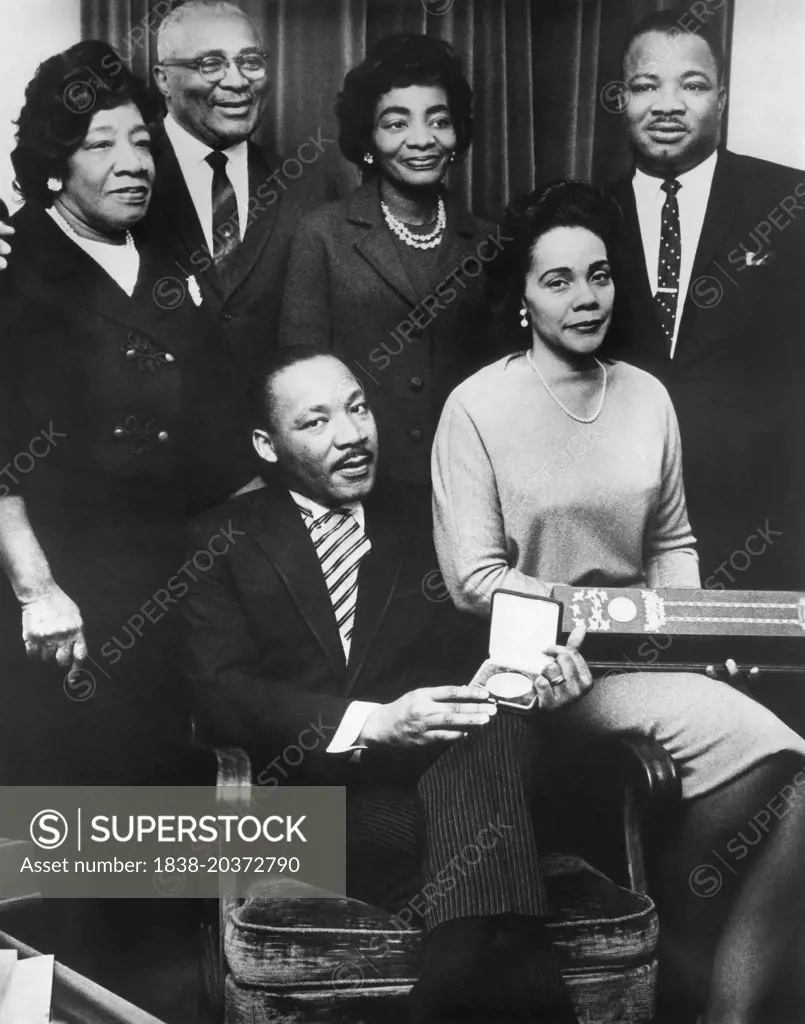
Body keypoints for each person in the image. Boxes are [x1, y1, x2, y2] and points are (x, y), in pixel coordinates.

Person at [432, 181, 805, 1024]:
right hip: (539, 669)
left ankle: (715, 990)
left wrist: (683, 631)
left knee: (793, 782)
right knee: (789, 758)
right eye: (556, 280)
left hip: (648, 658)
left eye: (597, 275)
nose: (585, 297)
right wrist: (587, 616)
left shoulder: (645, 395)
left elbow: (671, 539)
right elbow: (472, 579)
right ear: (519, 297)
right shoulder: (476, 408)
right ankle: (686, 931)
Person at [182, 346, 598, 1024]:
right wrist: (372, 722)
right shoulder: (218, 541)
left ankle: (443, 986)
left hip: (446, 778)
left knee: (499, 730)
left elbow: (472, 667)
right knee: (494, 866)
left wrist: (523, 681)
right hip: (308, 805)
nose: (350, 434)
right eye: (315, 422)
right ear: (266, 443)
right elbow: (221, 693)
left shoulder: (428, 521)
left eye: (357, 408)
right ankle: (488, 952)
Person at [0, 40, 251, 786]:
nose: (133, 162)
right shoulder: (14, 270)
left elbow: (220, 443)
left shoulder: (172, 266)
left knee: (164, 820)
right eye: (100, 144)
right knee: (74, 831)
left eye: (142, 141)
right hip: (61, 599)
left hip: (170, 587)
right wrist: (37, 591)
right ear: (55, 164)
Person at [605, 10, 805, 591]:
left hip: (768, 533)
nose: (667, 104)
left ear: (722, 97)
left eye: (691, 85)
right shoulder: (588, 215)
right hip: (623, 539)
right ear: (620, 98)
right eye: (646, 85)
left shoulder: (789, 204)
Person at [278, 34, 494, 488]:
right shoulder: (322, 234)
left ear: (456, 136)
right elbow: (301, 383)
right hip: (356, 483)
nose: (422, 139)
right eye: (397, 124)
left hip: (467, 481)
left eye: (438, 121)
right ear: (369, 139)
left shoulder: (486, 241)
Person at [149, 0, 330, 375]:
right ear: (163, 79)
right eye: (210, 64)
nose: (237, 81)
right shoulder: (123, 175)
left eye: (250, 61)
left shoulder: (306, 187)